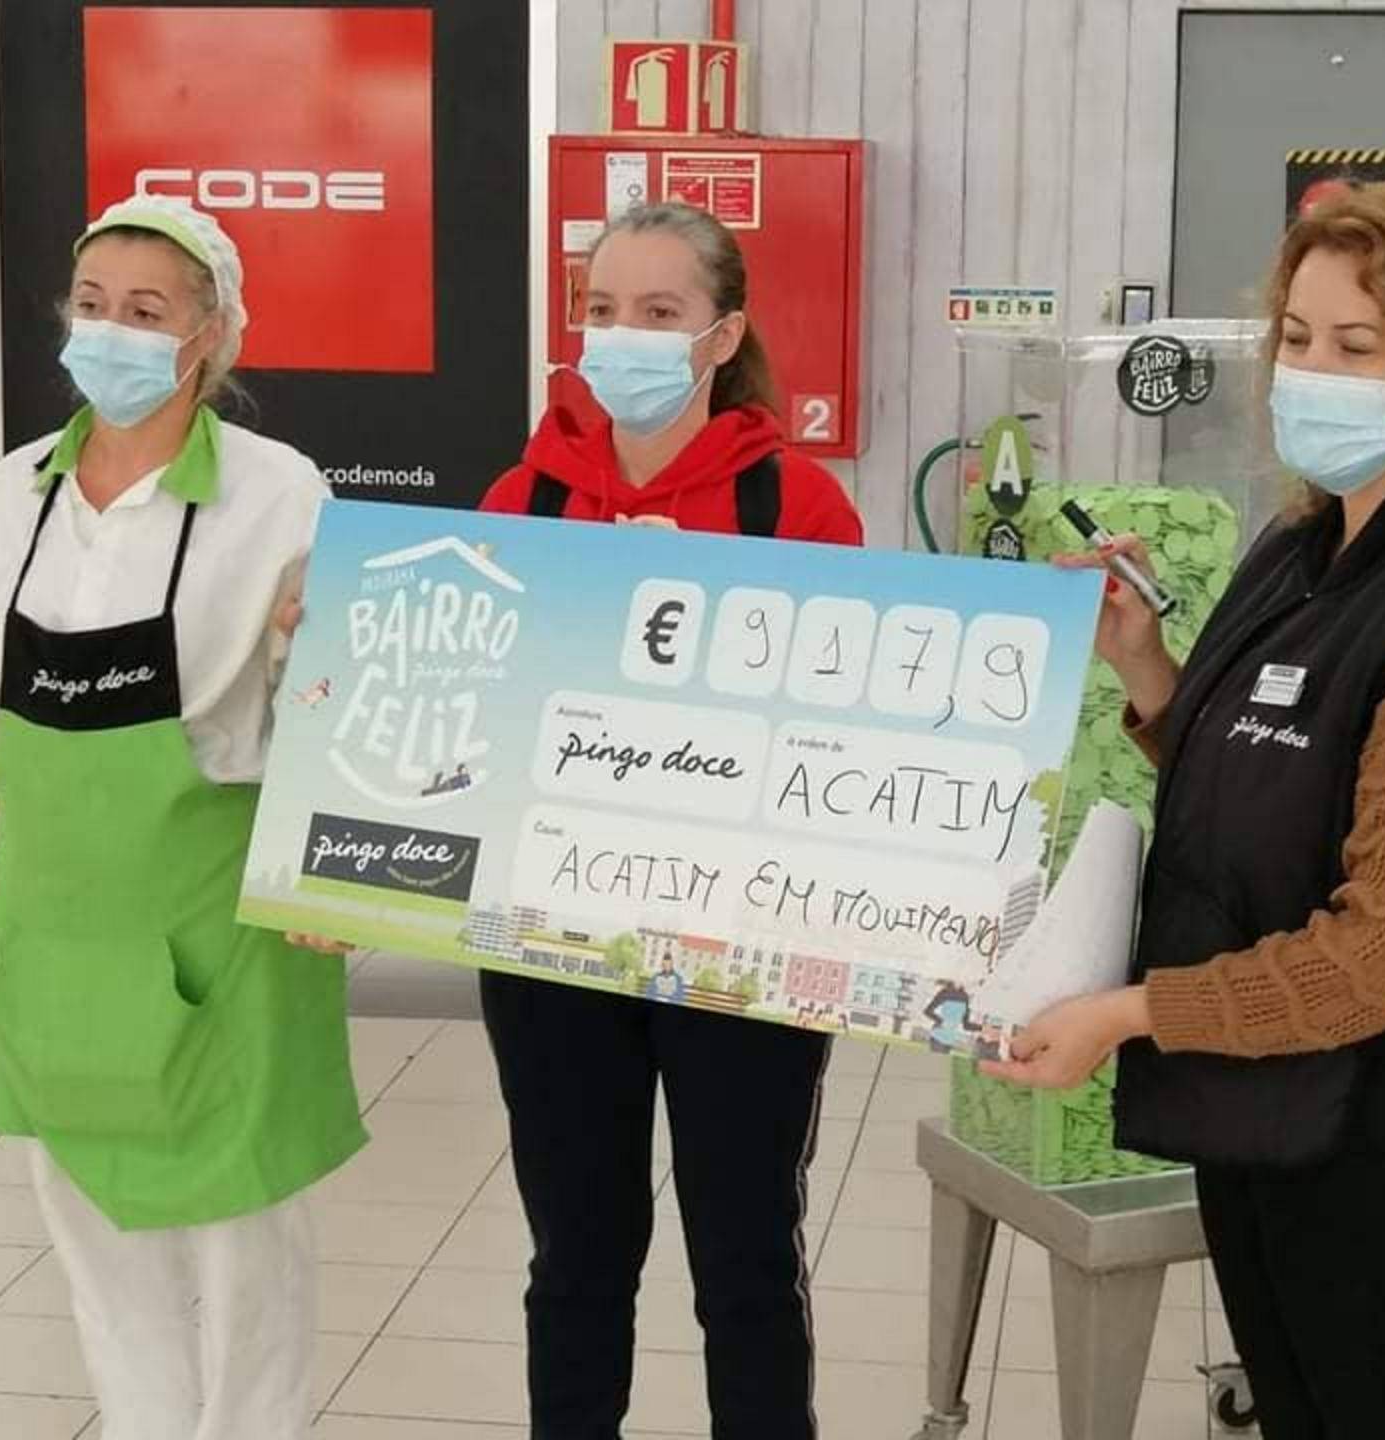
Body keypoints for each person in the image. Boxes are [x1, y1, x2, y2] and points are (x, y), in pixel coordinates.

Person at [983, 182, 1385, 1438]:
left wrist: (1128, 1014)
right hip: (1268, 1106)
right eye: (1299, 339)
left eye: (1359, 347)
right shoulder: (1302, 552)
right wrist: (1147, 669)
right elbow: (1262, 793)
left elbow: (1384, 958)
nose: (1315, 373)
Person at [0, 194, 367, 1440]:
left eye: (147, 310)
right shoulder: (12, 493)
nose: (111, 331)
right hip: (50, 921)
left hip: (220, 924)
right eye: (93, 305)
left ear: (210, 336)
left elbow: (331, 706)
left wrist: (317, 646)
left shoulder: (279, 494)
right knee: (89, 1225)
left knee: (245, 1232)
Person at [477, 201, 861, 1440]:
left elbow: (849, 736)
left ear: (722, 333)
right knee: (576, 1257)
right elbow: (470, 711)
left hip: (741, 948)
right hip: (552, 941)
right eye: (602, 310)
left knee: (744, 1260)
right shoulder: (523, 499)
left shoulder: (797, 506)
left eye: (659, 312)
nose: (623, 335)